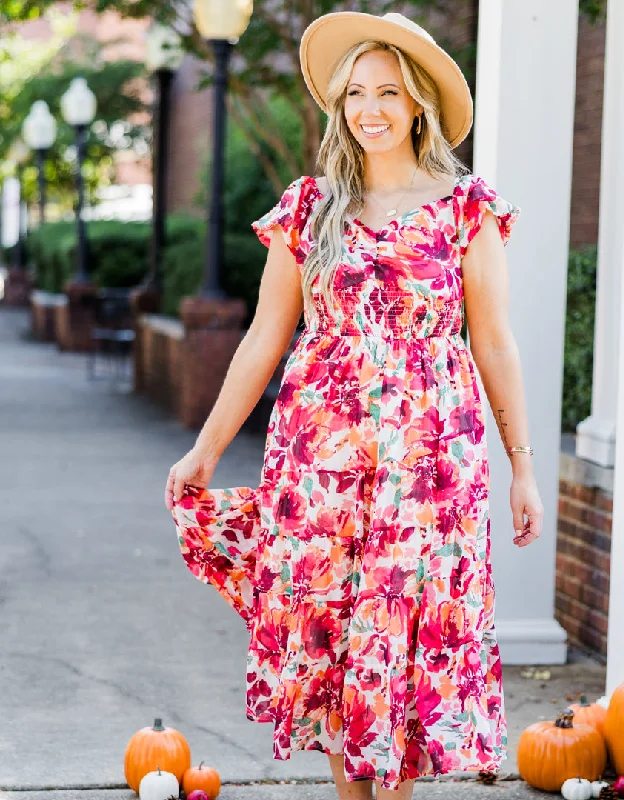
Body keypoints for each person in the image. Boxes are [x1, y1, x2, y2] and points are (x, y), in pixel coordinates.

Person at [165, 10, 543, 799]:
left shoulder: (466, 208)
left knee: (403, 639)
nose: (370, 109)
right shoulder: (309, 208)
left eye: (389, 92)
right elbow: (263, 339)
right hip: (320, 460)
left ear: (417, 106)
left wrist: (522, 467)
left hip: (431, 466)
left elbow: (496, 343)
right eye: (356, 94)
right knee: (335, 630)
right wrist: (205, 449)